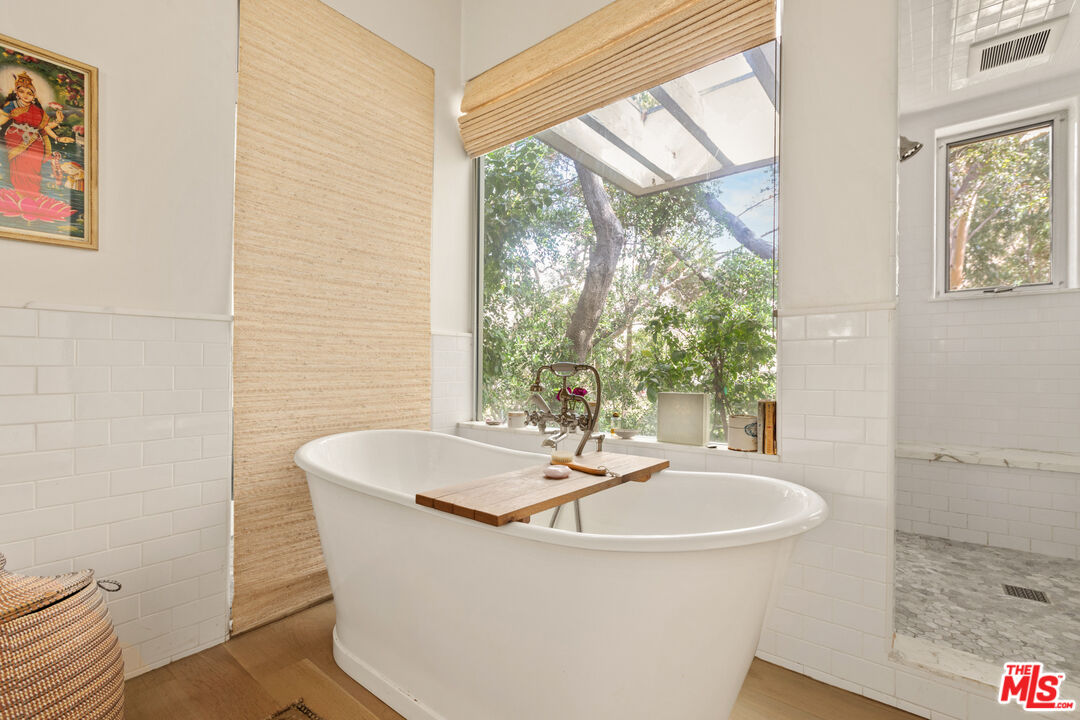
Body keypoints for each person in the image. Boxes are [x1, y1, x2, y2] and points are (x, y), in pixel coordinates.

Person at [0, 72, 63, 195]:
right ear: (17, 92)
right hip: (17, 139)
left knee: (34, 170)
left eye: (29, 93)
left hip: (36, 143)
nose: (25, 95)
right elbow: (2, 120)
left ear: (34, 95)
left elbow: (45, 127)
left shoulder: (38, 111)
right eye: (22, 91)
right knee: (19, 169)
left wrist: (57, 121)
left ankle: (33, 196)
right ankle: (20, 195)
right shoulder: (11, 105)